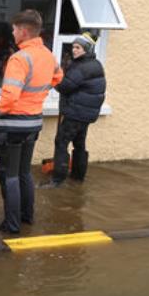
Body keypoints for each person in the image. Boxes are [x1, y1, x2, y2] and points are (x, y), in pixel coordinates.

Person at [0, 10, 63, 234]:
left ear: (23, 31)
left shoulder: (19, 58)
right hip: (33, 122)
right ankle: (27, 217)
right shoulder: (48, 55)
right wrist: (37, 96)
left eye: (14, 29)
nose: (12, 33)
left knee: (9, 175)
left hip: (12, 124)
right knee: (24, 172)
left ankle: (11, 226)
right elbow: (58, 77)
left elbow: (10, 96)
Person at [48, 32, 106, 186]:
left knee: (61, 142)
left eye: (78, 47)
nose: (74, 50)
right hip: (86, 115)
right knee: (79, 144)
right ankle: (78, 177)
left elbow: (65, 87)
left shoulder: (81, 67)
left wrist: (54, 77)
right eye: (73, 47)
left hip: (75, 113)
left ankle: (57, 180)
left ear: (86, 49)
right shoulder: (96, 64)